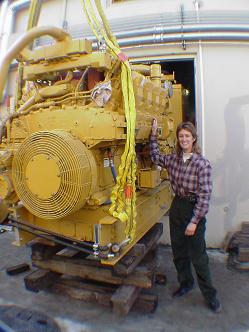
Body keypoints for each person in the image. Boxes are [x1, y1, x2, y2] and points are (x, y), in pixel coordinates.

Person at [150, 119, 221, 313]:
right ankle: (186, 283)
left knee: (199, 257)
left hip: (193, 208)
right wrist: (154, 133)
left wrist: (195, 221)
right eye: (181, 136)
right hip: (178, 206)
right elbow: (156, 157)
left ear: (194, 138)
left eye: (187, 136)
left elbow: (205, 196)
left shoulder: (202, 164)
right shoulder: (172, 159)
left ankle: (210, 295)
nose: (183, 139)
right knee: (179, 252)